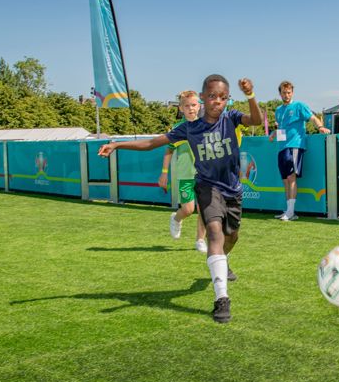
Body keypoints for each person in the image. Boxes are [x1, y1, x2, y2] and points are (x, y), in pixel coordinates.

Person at [99, 75, 262, 323]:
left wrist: (251, 95)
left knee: (232, 237)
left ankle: (223, 261)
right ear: (203, 98)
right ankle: (221, 299)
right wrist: (118, 145)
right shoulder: (190, 128)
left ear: (227, 99)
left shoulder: (231, 118)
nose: (217, 101)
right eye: (211, 96)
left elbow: (257, 120)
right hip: (207, 187)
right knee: (215, 234)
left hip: (233, 190)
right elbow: (153, 143)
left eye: (222, 97)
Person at [268, 80, 330, 221]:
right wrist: (273, 134)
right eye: (284, 93)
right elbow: (281, 129)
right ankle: (289, 211)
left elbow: (313, 118)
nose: (287, 95)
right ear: (280, 93)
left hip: (295, 145)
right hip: (281, 148)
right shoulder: (278, 110)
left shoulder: (299, 106)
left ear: (292, 92)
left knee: (291, 177)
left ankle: (291, 211)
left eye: (289, 92)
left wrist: (320, 127)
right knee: (285, 180)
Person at [158, 90, 207, 253]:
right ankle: (176, 218)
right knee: (188, 209)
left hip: (204, 175)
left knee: (204, 209)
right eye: (187, 106)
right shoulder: (178, 129)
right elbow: (168, 151)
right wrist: (164, 173)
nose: (191, 108)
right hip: (185, 175)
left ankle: (200, 240)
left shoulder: (206, 125)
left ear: (199, 106)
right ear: (181, 108)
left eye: (193, 105)